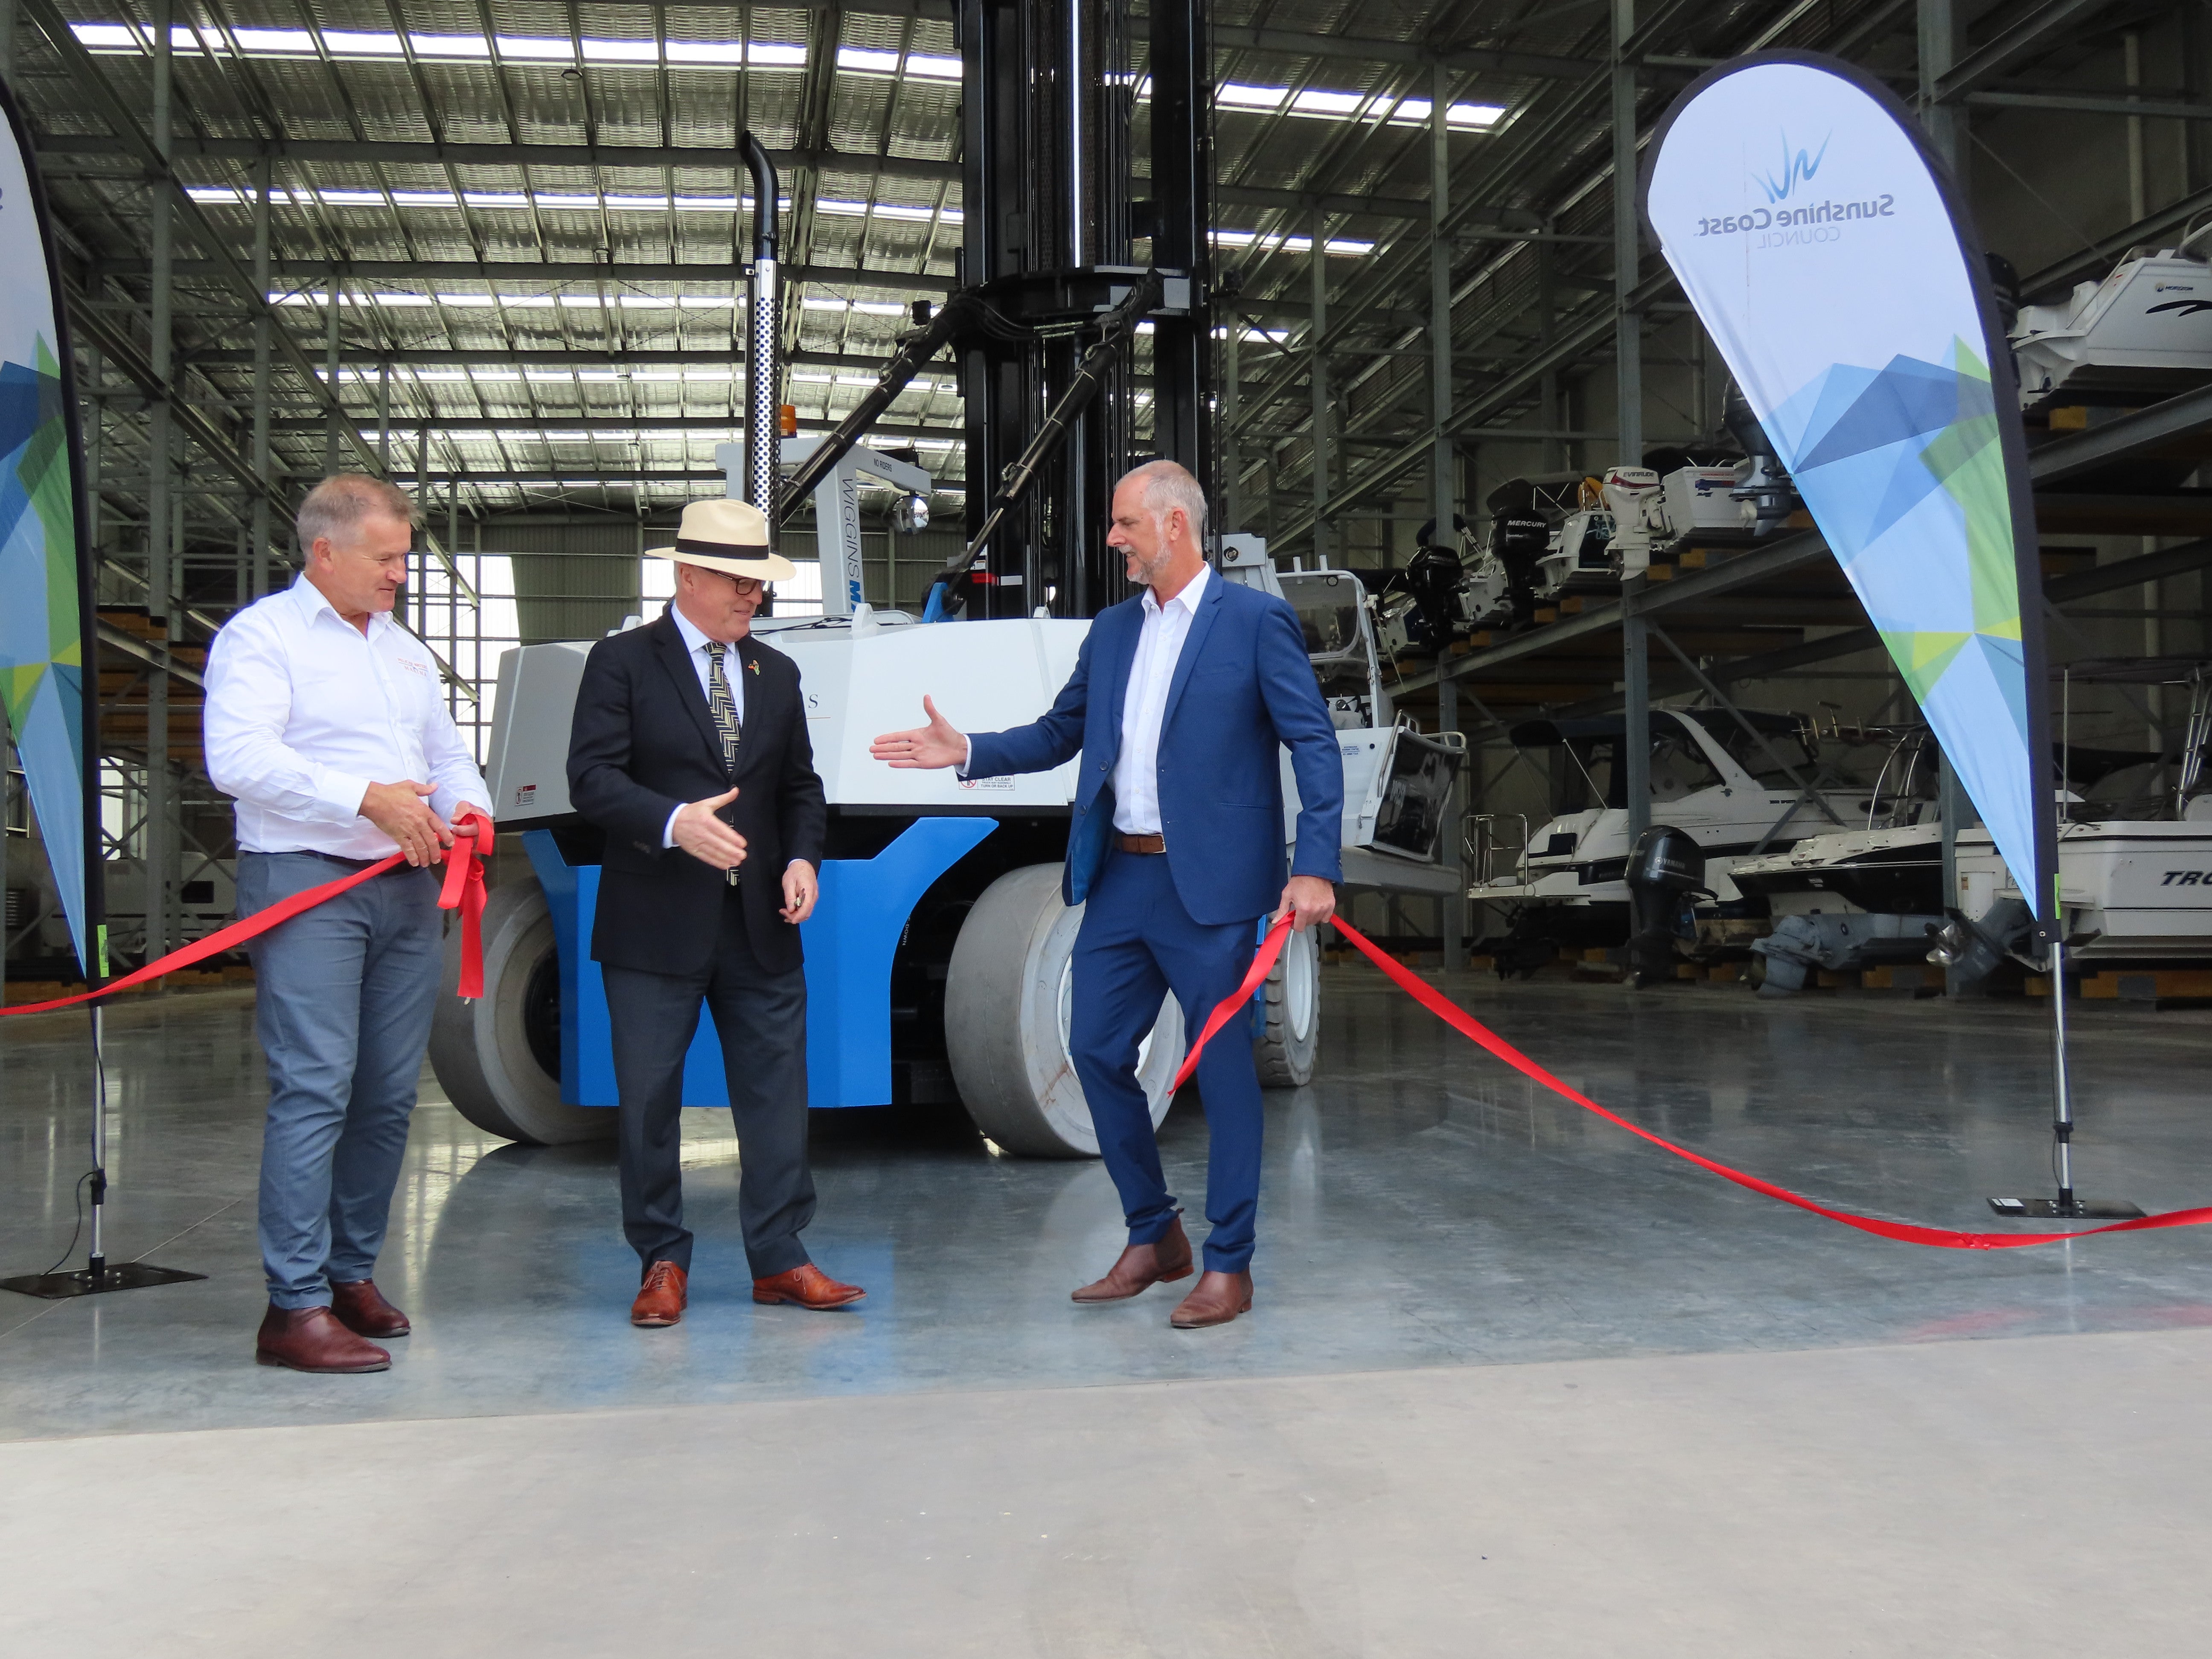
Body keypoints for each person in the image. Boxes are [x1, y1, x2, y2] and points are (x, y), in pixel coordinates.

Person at [869, 460, 1342, 1329]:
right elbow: (1060, 732)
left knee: (1229, 1074)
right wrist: (968, 750)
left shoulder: (1256, 624)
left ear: (1174, 524)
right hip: (1123, 879)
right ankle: (1154, 1233)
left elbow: (1313, 745)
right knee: (1091, 1050)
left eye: (1126, 524)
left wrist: (1314, 865)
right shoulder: (1114, 631)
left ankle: (1228, 1262)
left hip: (1218, 891)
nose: (1115, 539)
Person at [204, 474, 492, 1374]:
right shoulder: (264, 638)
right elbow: (238, 757)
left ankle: (348, 1273)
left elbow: (443, 753)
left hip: (407, 886)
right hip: (308, 883)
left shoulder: (403, 653)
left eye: (404, 557)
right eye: (387, 558)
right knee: (317, 1084)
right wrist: (365, 799)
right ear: (323, 552)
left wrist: (470, 808)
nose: (401, 574)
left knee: (385, 1091)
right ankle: (292, 1307)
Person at [565, 497, 861, 1328]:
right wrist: (673, 823)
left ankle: (781, 1258)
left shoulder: (778, 673)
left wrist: (804, 856)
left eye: (760, 584)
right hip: (654, 923)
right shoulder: (621, 663)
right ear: (686, 575)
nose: (752, 598)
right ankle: (661, 1259)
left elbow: (799, 786)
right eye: (737, 582)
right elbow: (590, 778)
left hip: (762, 923)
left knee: (777, 1096)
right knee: (650, 1100)